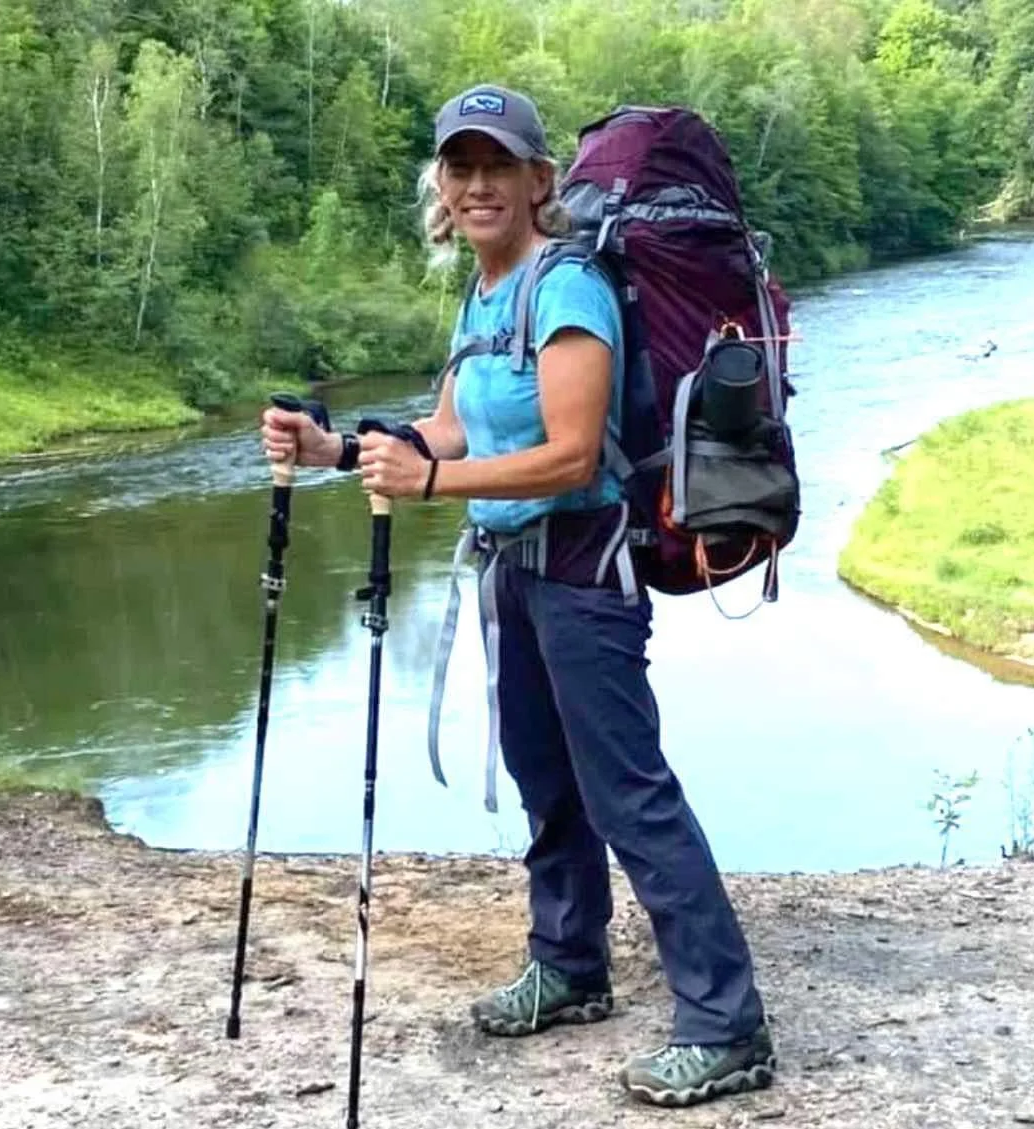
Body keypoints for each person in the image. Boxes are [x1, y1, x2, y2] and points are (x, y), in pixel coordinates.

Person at [260, 83, 776, 1109]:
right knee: (548, 781)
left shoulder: (568, 286)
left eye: (500, 164)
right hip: (515, 576)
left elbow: (572, 452)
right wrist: (336, 450)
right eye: (462, 166)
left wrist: (434, 485)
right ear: (442, 190)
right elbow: (448, 430)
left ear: (543, 182)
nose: (479, 182)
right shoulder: (484, 299)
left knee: (630, 793)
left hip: (586, 573)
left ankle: (727, 1025)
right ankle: (570, 962)